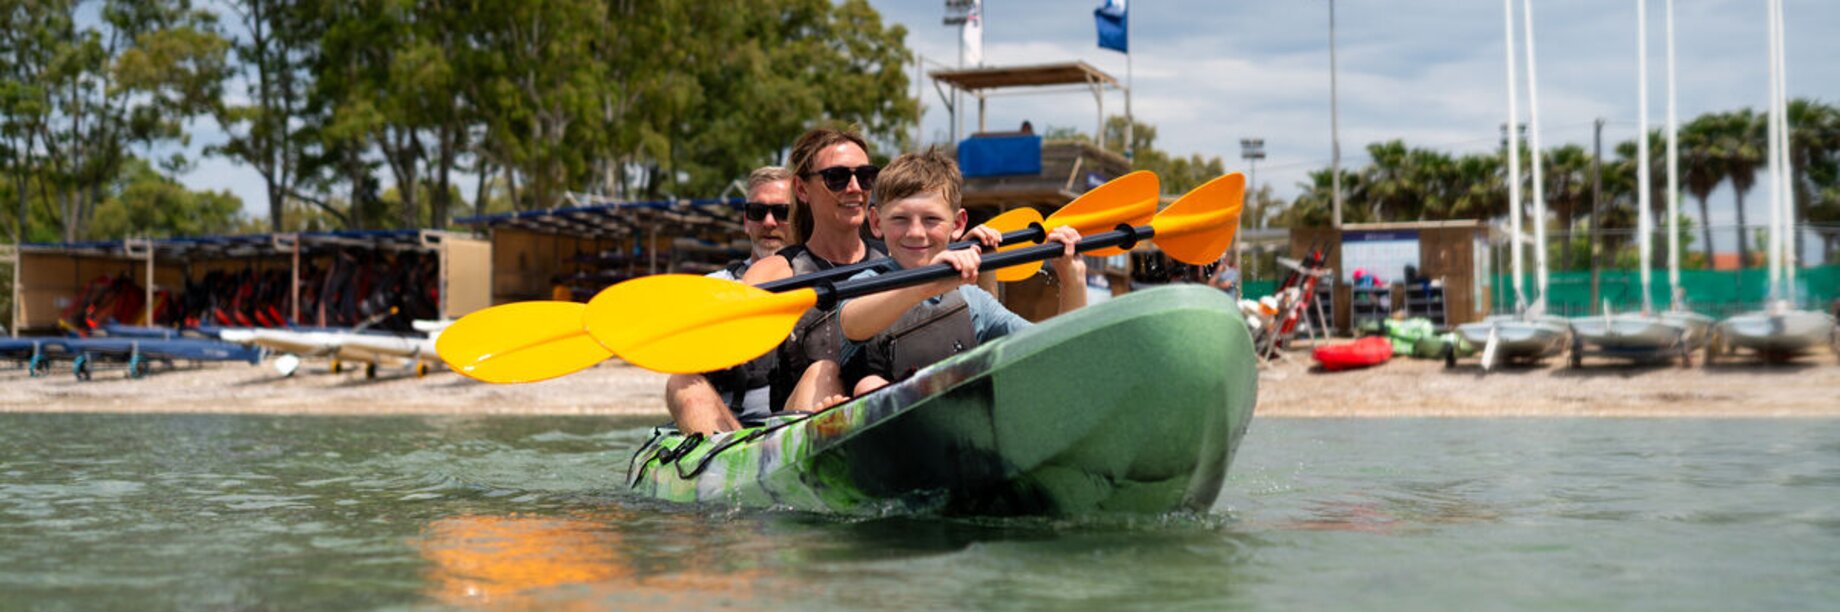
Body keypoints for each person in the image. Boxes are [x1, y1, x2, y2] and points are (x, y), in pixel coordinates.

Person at [839, 148, 1086, 396]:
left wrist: (1072, 280)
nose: (915, 232)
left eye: (931, 219)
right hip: (892, 429)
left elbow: (1056, 353)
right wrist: (928, 284)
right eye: (900, 219)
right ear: (876, 222)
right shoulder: (866, 283)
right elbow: (852, 324)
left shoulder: (974, 301)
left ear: (957, 224)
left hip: (962, 426)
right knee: (868, 386)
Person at [741, 127, 891, 414]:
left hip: (881, 412)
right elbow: (734, 339)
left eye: (865, 176)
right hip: (802, 425)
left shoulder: (895, 261)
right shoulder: (776, 272)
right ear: (801, 189)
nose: (855, 188)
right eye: (836, 177)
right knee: (824, 370)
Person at [663, 166, 796, 434]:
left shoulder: (822, 279)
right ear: (746, 221)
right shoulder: (716, 285)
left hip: (799, 421)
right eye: (758, 213)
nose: (769, 222)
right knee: (680, 381)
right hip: (729, 426)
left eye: (782, 213)